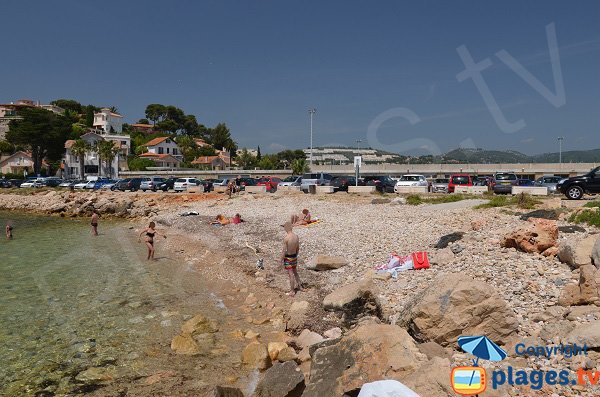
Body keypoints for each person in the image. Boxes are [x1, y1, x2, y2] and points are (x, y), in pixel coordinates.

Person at [281, 221, 302, 296]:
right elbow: (298, 248)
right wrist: (296, 255)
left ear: (286, 228)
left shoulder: (286, 238)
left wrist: (280, 260)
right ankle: (300, 286)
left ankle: (292, 291)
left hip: (288, 258)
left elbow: (284, 251)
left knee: (291, 275)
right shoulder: (296, 236)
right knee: (295, 272)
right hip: (294, 256)